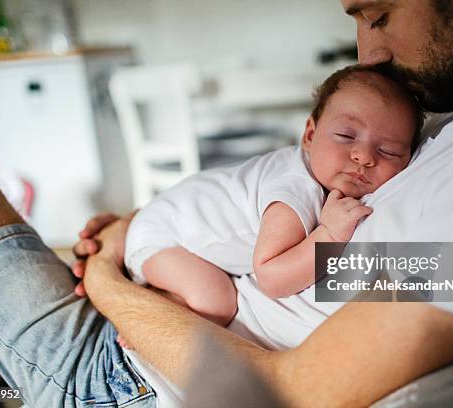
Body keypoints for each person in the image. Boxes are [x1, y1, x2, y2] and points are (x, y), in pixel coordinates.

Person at [0, 0, 453, 407]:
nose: (369, 52)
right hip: (166, 321)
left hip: (137, 380)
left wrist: (111, 280)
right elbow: (309, 233)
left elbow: (280, 393)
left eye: (378, 13)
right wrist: (145, 229)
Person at [122, 65, 420, 333]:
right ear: (310, 136)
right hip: (163, 235)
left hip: (172, 219)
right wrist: (330, 234)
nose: (364, 156)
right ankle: (143, 315)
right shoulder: (296, 191)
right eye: (345, 135)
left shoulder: (319, 175)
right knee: (217, 302)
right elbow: (272, 278)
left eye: (389, 151)